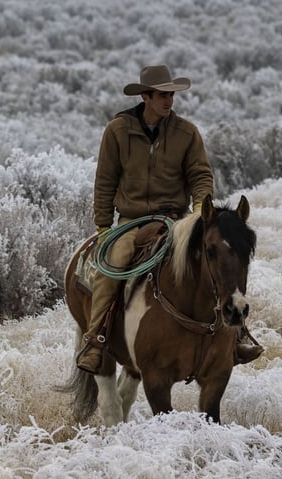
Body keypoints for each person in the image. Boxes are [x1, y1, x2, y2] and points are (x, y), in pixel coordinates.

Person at [76, 64, 263, 374]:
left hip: (175, 219)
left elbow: (200, 174)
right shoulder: (118, 131)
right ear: (146, 97)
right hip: (131, 221)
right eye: (162, 95)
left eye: (171, 95)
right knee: (112, 267)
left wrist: (201, 211)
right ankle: (95, 340)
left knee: (214, 265)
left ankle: (237, 336)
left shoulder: (186, 132)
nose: (169, 101)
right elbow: (105, 180)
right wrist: (103, 226)